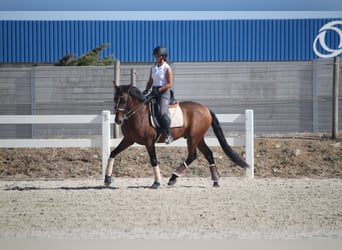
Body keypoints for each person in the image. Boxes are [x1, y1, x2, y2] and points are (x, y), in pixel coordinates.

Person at [144, 46, 173, 144]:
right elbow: (150, 80)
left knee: (162, 112)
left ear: (163, 56)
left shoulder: (167, 68)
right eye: (155, 56)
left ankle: (169, 135)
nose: (156, 57)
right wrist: (147, 89)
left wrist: (160, 90)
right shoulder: (153, 67)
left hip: (164, 93)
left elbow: (169, 84)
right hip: (154, 91)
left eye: (158, 56)